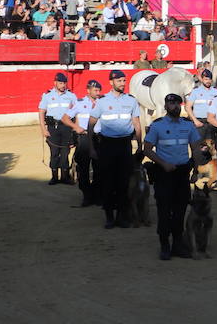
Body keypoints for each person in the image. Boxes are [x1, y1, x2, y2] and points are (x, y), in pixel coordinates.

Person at [142, 93, 202, 260]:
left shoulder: (188, 125)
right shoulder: (157, 126)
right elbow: (146, 149)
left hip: (182, 173)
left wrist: (196, 171)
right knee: (164, 211)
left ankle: (177, 245)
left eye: (177, 103)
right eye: (171, 104)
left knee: (180, 211)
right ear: (166, 106)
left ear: (181, 105)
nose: (174, 106)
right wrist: (163, 163)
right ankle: (164, 245)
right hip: (164, 174)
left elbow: (196, 148)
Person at [89, 69, 143, 229]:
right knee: (108, 182)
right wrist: (92, 147)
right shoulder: (102, 101)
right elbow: (91, 124)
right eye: (119, 81)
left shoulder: (131, 101)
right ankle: (109, 217)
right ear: (111, 82)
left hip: (125, 146)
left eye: (124, 80)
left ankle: (121, 216)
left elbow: (137, 124)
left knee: (124, 183)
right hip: (107, 146)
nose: (122, 83)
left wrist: (139, 145)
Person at [60, 78, 102, 207]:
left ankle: (97, 195)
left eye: (99, 90)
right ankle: (87, 195)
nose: (98, 92)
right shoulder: (79, 103)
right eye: (95, 90)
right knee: (83, 169)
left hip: (99, 138)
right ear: (88, 90)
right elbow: (65, 118)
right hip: (84, 138)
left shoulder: (103, 102)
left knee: (99, 169)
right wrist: (76, 127)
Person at [38, 72, 77, 185]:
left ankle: (65, 177)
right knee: (54, 152)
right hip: (53, 128)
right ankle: (54, 177)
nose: (63, 85)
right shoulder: (47, 96)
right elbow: (41, 112)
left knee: (65, 152)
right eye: (60, 83)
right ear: (55, 83)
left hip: (67, 128)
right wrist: (43, 129)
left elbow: (77, 113)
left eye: (64, 83)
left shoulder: (71, 96)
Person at [186, 69, 217, 139]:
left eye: (209, 79)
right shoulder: (195, 91)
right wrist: (195, 120)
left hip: (212, 123)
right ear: (202, 79)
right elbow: (188, 107)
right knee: (198, 147)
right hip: (199, 122)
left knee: (211, 147)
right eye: (206, 79)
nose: (208, 81)